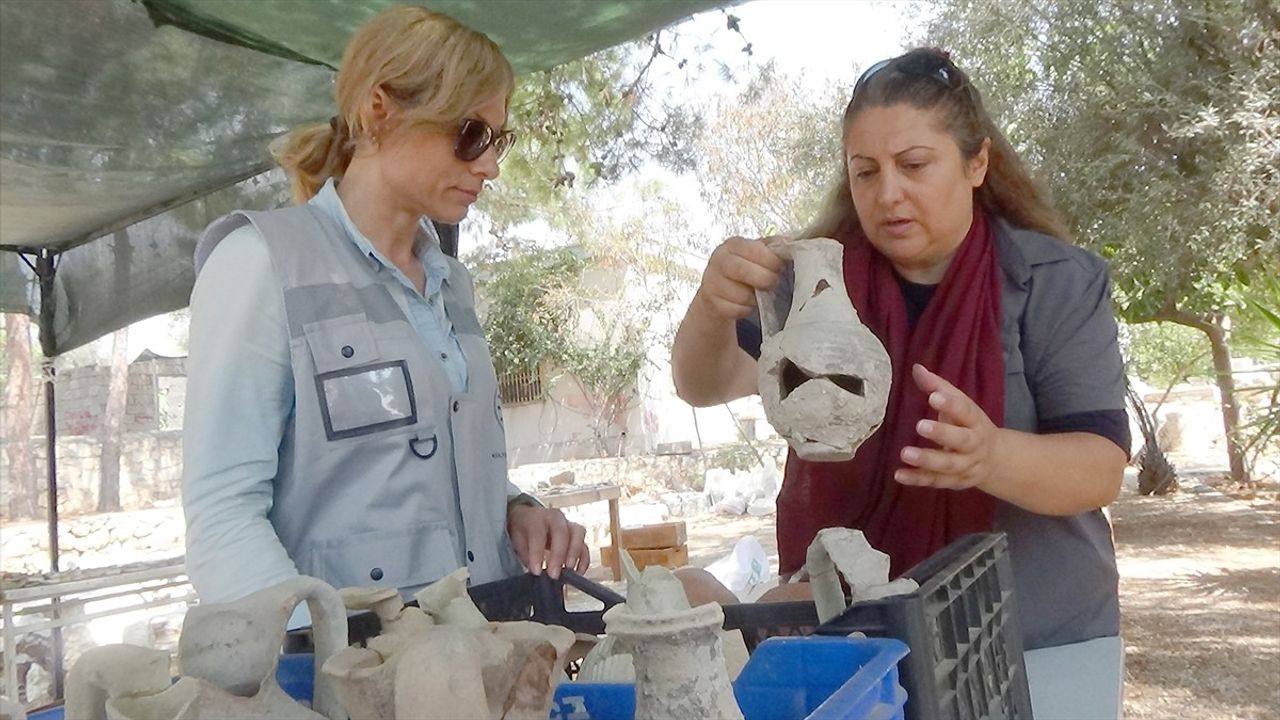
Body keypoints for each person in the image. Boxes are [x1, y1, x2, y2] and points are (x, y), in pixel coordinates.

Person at [671, 48, 1129, 710]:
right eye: (866, 172)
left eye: (914, 166)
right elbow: (704, 383)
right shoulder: (817, 286)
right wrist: (711, 309)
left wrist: (991, 456)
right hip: (861, 652)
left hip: (1033, 644)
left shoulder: (1054, 283)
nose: (888, 194)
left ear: (977, 163)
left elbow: (1100, 469)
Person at [182, 6, 589, 611]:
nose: (490, 165)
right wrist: (332, 656)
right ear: (381, 110)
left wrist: (514, 510)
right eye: (471, 134)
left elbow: (419, 466)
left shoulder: (453, 287)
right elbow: (222, 514)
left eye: (497, 141)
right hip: (352, 682)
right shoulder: (261, 263)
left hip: (485, 660)